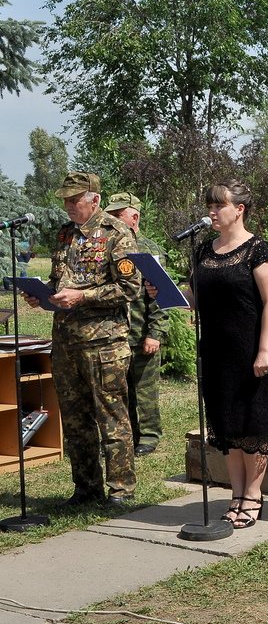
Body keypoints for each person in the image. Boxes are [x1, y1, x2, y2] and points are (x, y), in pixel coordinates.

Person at [24, 172, 141, 506]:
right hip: (65, 342)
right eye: (65, 200)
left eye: (75, 200)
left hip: (104, 343)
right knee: (75, 420)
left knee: (112, 418)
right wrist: (42, 296)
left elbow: (129, 288)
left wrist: (81, 297)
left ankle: (120, 490)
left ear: (95, 200)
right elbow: (61, 282)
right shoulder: (64, 235)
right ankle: (86, 488)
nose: (68, 205)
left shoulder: (116, 233)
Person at [195, 180, 268, 529]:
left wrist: (263, 350)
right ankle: (236, 493)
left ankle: (254, 496)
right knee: (227, 425)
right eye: (210, 206)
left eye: (219, 206)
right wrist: (165, 290)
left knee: (253, 424)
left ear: (239, 210)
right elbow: (196, 298)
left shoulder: (258, 249)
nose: (212, 212)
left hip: (250, 350)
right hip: (215, 351)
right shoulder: (203, 249)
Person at [105, 192, 168, 456]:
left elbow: (160, 296)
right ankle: (128, 434)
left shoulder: (149, 249)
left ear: (134, 217)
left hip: (142, 332)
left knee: (144, 389)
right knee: (121, 390)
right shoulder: (108, 248)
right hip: (116, 333)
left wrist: (155, 333)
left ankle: (150, 435)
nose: (111, 222)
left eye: (116, 216)